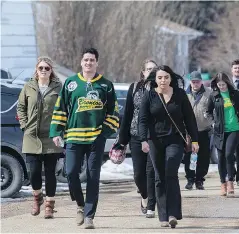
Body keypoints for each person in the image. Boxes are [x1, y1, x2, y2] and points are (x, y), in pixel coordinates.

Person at [49, 48, 119, 229]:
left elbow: (113, 113)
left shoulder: (106, 85)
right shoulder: (71, 83)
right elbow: (61, 109)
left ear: (97, 63)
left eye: (92, 60)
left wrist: (104, 132)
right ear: (81, 62)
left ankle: (89, 216)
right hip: (73, 137)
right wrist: (56, 132)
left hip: (96, 138)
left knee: (93, 176)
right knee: (71, 172)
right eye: (86, 60)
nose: (89, 63)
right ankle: (79, 203)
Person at [138, 65, 199, 228]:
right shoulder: (149, 95)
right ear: (155, 79)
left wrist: (195, 141)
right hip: (154, 140)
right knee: (159, 177)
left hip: (175, 140)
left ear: (171, 78)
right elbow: (142, 119)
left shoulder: (180, 95)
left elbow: (190, 119)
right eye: (159, 78)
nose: (163, 80)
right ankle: (163, 216)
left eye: (166, 77)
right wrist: (143, 139)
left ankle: (173, 213)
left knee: (170, 170)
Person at [17, 57, 62, 219]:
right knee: (33, 172)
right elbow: (21, 107)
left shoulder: (58, 87)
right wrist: (24, 125)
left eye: (47, 68)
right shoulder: (28, 87)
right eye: (41, 68)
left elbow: (64, 109)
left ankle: (49, 205)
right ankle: (37, 197)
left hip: (51, 136)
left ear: (51, 71)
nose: (43, 70)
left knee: (50, 172)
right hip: (31, 136)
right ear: (36, 70)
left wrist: (60, 129)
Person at [117, 59, 157, 218]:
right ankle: (145, 196)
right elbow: (127, 114)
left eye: (154, 69)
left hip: (155, 137)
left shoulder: (162, 88)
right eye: (148, 69)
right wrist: (122, 139)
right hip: (136, 136)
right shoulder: (134, 88)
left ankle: (152, 205)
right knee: (139, 174)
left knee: (152, 172)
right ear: (143, 72)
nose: (151, 72)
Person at [207, 72, 239, 196]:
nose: (221, 87)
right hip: (219, 131)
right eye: (219, 85)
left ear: (227, 83)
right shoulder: (214, 96)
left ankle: (231, 181)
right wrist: (213, 122)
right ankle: (223, 184)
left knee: (228, 154)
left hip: (234, 129)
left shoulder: (235, 94)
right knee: (220, 158)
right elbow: (208, 112)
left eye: (223, 84)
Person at [184, 71, 213, 190]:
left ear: (201, 82)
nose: (195, 84)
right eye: (193, 82)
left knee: (204, 157)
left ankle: (199, 179)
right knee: (188, 156)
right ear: (190, 82)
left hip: (204, 129)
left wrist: (211, 116)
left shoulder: (209, 93)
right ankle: (190, 179)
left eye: (197, 81)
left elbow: (214, 109)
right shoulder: (184, 94)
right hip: (189, 131)